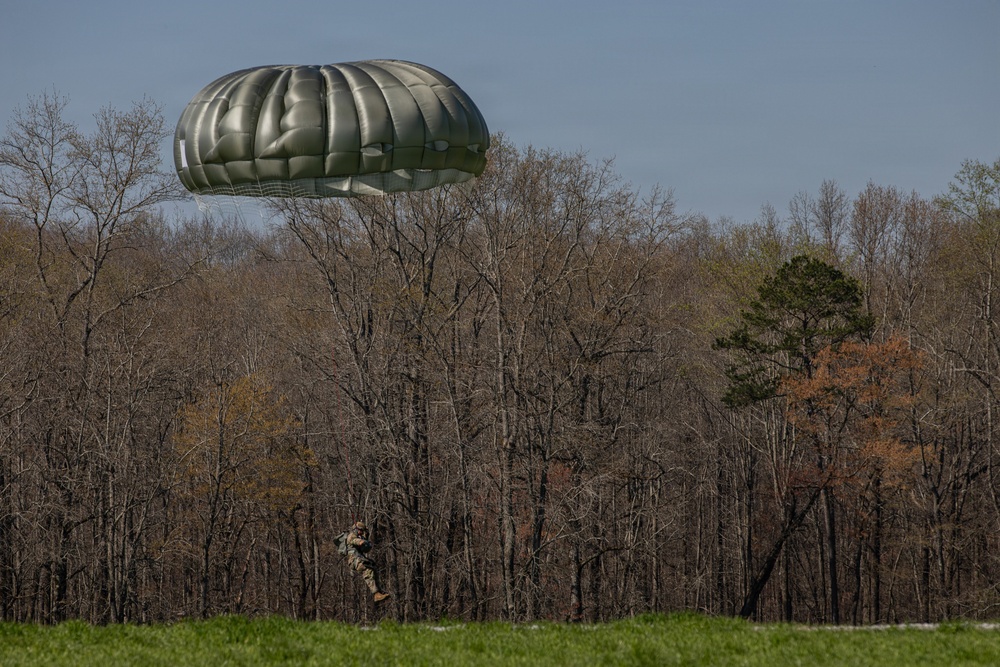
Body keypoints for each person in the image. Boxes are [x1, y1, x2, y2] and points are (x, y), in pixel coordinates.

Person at [335, 521, 390, 603]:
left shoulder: (359, 536)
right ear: (357, 529)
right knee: (367, 570)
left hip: (359, 558)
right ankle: (376, 593)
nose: (361, 532)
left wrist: (366, 537)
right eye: (361, 530)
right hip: (354, 560)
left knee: (373, 568)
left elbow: (366, 548)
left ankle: (379, 591)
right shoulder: (351, 536)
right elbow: (354, 541)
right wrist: (361, 541)